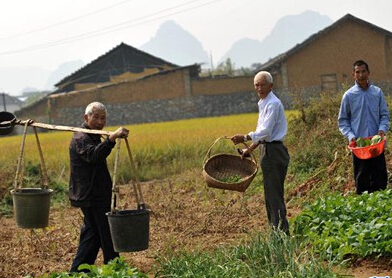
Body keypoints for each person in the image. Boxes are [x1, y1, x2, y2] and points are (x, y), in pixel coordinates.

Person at [69, 101, 129, 272]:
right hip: (91, 196)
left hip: (97, 194)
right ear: (86, 117)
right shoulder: (81, 137)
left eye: (103, 118)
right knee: (107, 235)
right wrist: (111, 139)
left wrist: (107, 140)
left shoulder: (93, 136)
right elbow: (94, 156)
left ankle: (78, 272)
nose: (100, 122)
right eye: (96, 117)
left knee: (92, 235)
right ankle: (115, 271)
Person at [231, 71, 290, 233]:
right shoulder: (263, 103)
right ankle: (276, 231)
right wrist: (249, 149)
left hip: (274, 151)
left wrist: (245, 137)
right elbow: (262, 133)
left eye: (263, 84)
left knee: (274, 194)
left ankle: (281, 233)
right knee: (269, 194)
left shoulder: (272, 104)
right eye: (256, 85)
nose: (259, 88)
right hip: (267, 149)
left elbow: (265, 132)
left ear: (271, 85)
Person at [338, 60, 390, 195]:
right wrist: (351, 136)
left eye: (363, 71)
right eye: (357, 72)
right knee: (362, 182)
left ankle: (380, 211)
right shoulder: (349, 96)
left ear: (369, 73)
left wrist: (382, 130)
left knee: (380, 181)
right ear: (353, 75)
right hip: (360, 147)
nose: (361, 75)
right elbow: (343, 120)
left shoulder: (377, 93)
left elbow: (384, 115)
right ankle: (364, 210)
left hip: (376, 145)